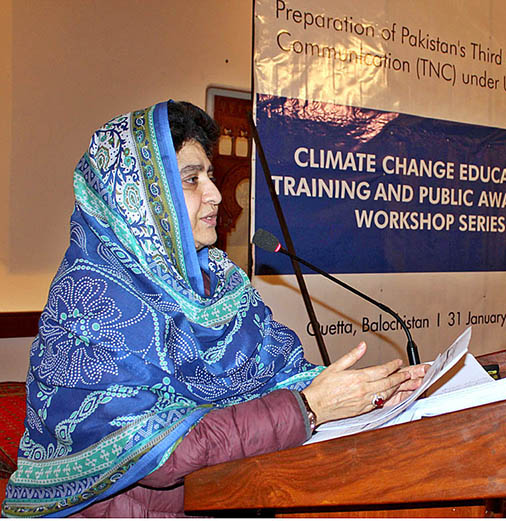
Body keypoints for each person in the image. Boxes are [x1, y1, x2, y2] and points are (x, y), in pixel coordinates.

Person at [1, 101, 425, 518]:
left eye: (210, 175)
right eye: (190, 179)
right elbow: (163, 454)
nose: (217, 194)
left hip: (233, 497)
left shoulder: (222, 280)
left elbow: (282, 375)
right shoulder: (92, 297)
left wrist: (372, 391)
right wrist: (308, 408)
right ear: (140, 199)